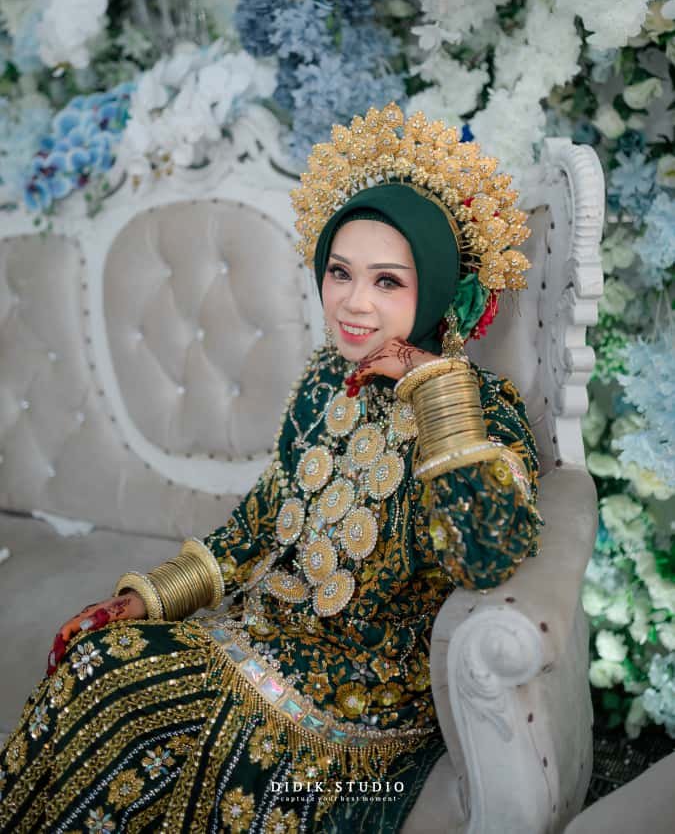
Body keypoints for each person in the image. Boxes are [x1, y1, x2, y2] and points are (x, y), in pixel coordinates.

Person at [0, 103, 542, 833]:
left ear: (441, 288)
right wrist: (149, 598)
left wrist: (431, 385)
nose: (353, 303)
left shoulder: (478, 409)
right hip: (261, 635)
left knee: (122, 695)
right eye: (340, 272)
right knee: (97, 659)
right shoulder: (327, 382)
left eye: (388, 281)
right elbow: (258, 525)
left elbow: (487, 556)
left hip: (359, 690)